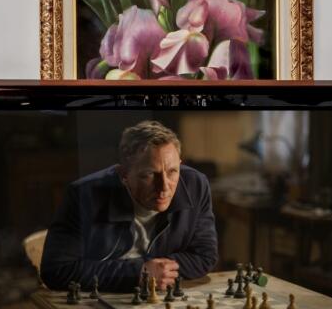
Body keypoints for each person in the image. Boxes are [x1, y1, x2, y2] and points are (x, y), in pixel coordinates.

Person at [41, 118, 219, 295]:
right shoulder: (83, 195)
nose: (164, 187)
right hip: (101, 299)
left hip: (161, 295)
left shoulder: (195, 185)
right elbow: (56, 270)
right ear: (124, 174)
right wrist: (138, 272)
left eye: (172, 171)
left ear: (180, 164)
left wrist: (158, 271)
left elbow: (205, 256)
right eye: (149, 174)